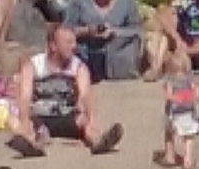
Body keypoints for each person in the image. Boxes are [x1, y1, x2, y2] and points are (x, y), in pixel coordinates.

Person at [8, 24, 123, 157]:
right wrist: (24, 119)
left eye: (74, 41)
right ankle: (31, 145)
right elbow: (25, 96)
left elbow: (86, 95)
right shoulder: (33, 65)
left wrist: (91, 120)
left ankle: (97, 141)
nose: (74, 46)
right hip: (39, 116)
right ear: (53, 46)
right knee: (21, 123)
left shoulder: (79, 67)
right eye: (68, 42)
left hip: (67, 116)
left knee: (83, 121)